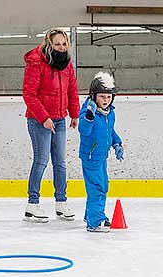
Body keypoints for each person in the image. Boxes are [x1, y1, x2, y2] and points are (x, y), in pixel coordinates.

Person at [22, 28, 80, 223]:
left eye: (64, 44)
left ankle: (61, 202)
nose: (61, 47)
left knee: (60, 162)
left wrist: (74, 113)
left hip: (60, 118)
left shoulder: (67, 63)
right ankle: (32, 204)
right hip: (39, 120)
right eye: (57, 44)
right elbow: (29, 95)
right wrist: (44, 118)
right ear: (49, 44)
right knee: (41, 160)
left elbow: (72, 88)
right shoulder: (36, 62)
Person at [78, 72, 124, 232]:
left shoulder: (110, 112)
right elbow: (83, 130)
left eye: (109, 97)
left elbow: (110, 131)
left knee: (103, 185)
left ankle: (90, 214)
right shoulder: (88, 110)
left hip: (101, 157)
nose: (106, 100)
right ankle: (95, 221)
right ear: (94, 96)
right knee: (97, 187)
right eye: (102, 97)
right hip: (91, 157)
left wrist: (117, 143)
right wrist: (89, 116)